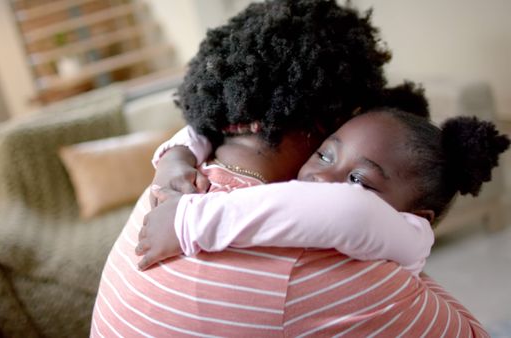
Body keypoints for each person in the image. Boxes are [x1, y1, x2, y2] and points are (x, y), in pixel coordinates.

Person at [90, 0, 488, 336]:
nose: (326, 178)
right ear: (327, 123)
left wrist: (176, 155)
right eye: (332, 146)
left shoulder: (171, 186)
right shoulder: (322, 266)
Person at [136, 104, 510, 275]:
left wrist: (192, 221)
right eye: (324, 155)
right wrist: (177, 158)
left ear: (416, 217)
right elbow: (215, 122)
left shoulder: (411, 238)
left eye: (358, 180)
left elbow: (346, 211)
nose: (322, 179)